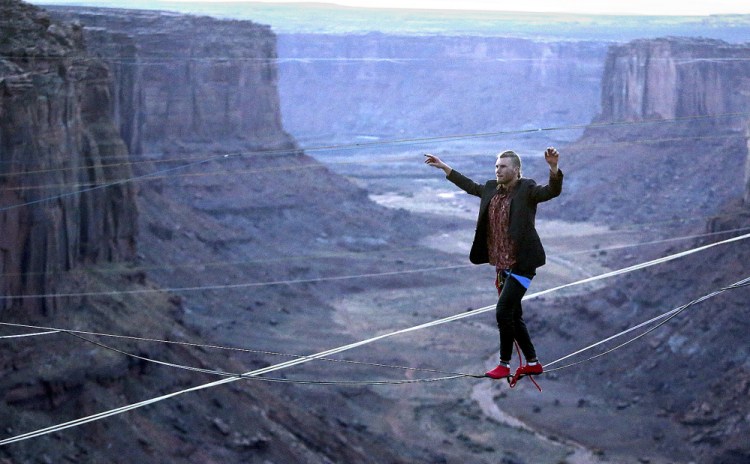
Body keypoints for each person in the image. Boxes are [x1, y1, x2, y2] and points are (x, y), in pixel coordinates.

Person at [424, 148, 563, 381]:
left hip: (522, 263)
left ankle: (504, 364)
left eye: (503, 167)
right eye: (497, 166)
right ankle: (533, 363)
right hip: (502, 265)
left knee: (503, 312)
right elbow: (470, 186)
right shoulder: (491, 188)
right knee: (514, 316)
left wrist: (553, 168)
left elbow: (551, 191)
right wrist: (444, 167)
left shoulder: (527, 189)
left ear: (516, 171)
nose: (498, 170)